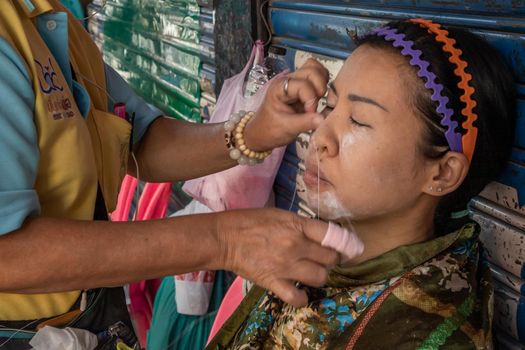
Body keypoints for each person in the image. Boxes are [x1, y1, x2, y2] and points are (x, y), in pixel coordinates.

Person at [0, 0, 342, 347]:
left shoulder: (48, 19)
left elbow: (139, 138)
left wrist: (251, 132)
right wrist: (224, 241)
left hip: (92, 311)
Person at [207, 19, 516, 349]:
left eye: (358, 120)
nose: (320, 136)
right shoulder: (297, 255)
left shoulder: (426, 335)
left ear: (441, 174)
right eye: (330, 105)